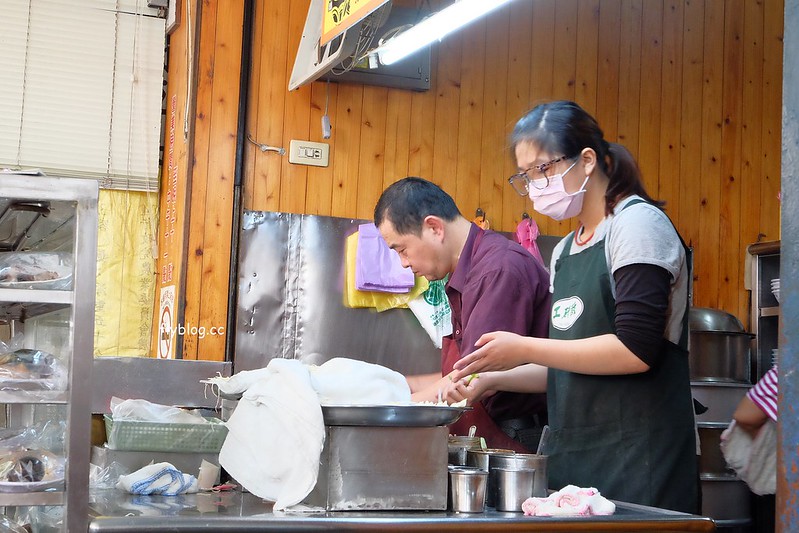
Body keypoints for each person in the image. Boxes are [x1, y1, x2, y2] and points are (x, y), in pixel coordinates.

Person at [451, 100, 699, 513]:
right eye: (525, 176)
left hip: (642, 458)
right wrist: (492, 379)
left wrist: (524, 348)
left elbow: (635, 350)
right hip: (578, 460)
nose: (535, 185)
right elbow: (566, 366)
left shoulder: (636, 225)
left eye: (543, 169)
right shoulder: (565, 250)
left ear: (586, 161)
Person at [374, 177, 550, 452]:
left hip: (516, 438)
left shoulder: (497, 270)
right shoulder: (468, 270)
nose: (404, 263)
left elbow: (477, 376)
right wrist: (393, 384)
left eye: (402, 249)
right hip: (496, 429)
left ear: (434, 227)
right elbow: (458, 371)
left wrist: (393, 408)